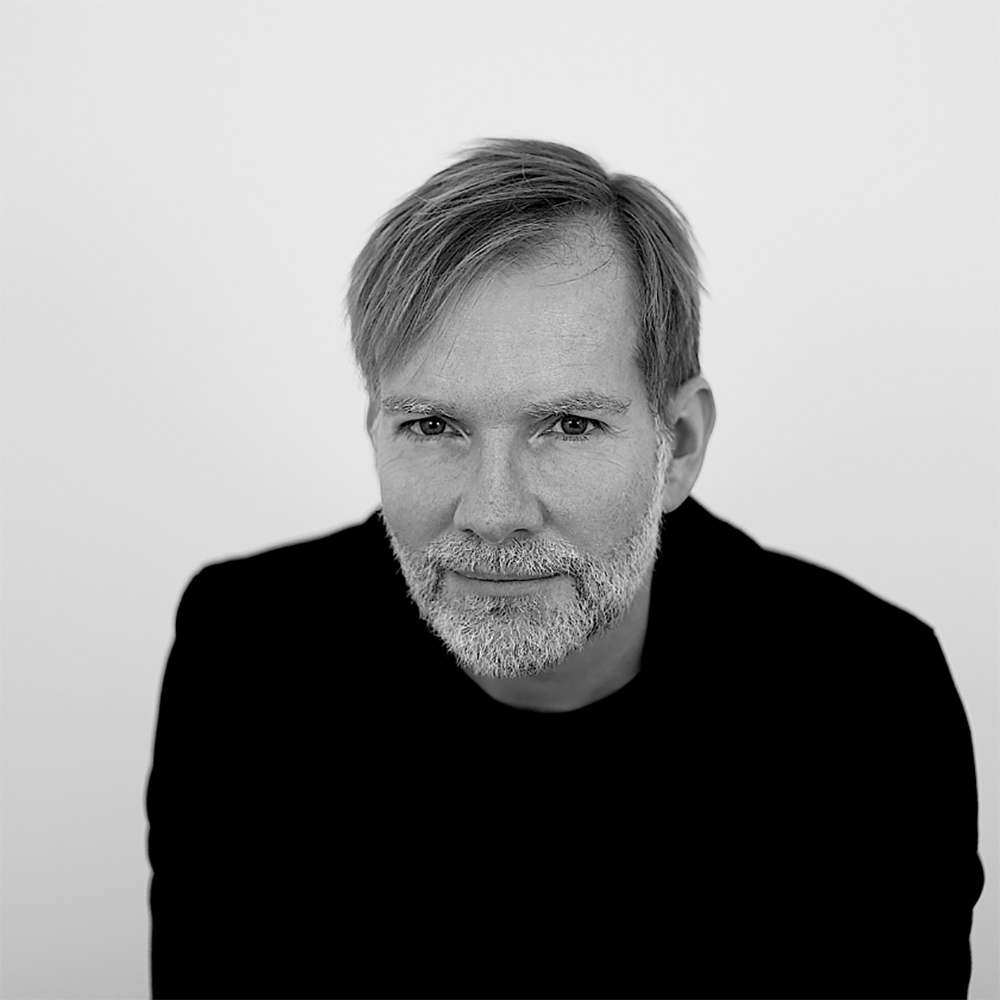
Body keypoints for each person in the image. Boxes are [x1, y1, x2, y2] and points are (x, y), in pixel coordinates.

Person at [145, 139, 984, 999]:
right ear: (375, 433)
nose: (493, 511)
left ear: (678, 445)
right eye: (432, 426)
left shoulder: (869, 696)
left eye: (569, 426)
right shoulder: (247, 649)